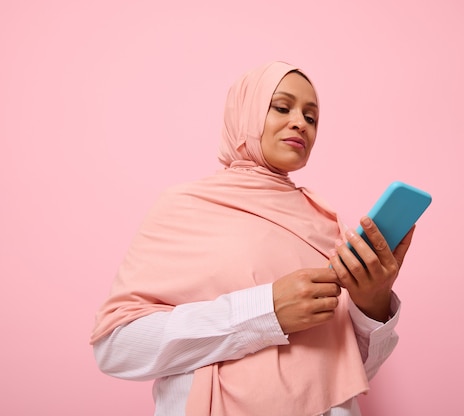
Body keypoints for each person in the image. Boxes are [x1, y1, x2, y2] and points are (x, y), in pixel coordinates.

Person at [90, 61, 415, 416]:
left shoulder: (325, 221)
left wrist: (373, 305)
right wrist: (265, 312)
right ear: (244, 112)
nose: (299, 123)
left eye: (311, 117)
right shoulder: (187, 206)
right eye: (281, 107)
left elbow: (345, 375)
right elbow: (115, 347)